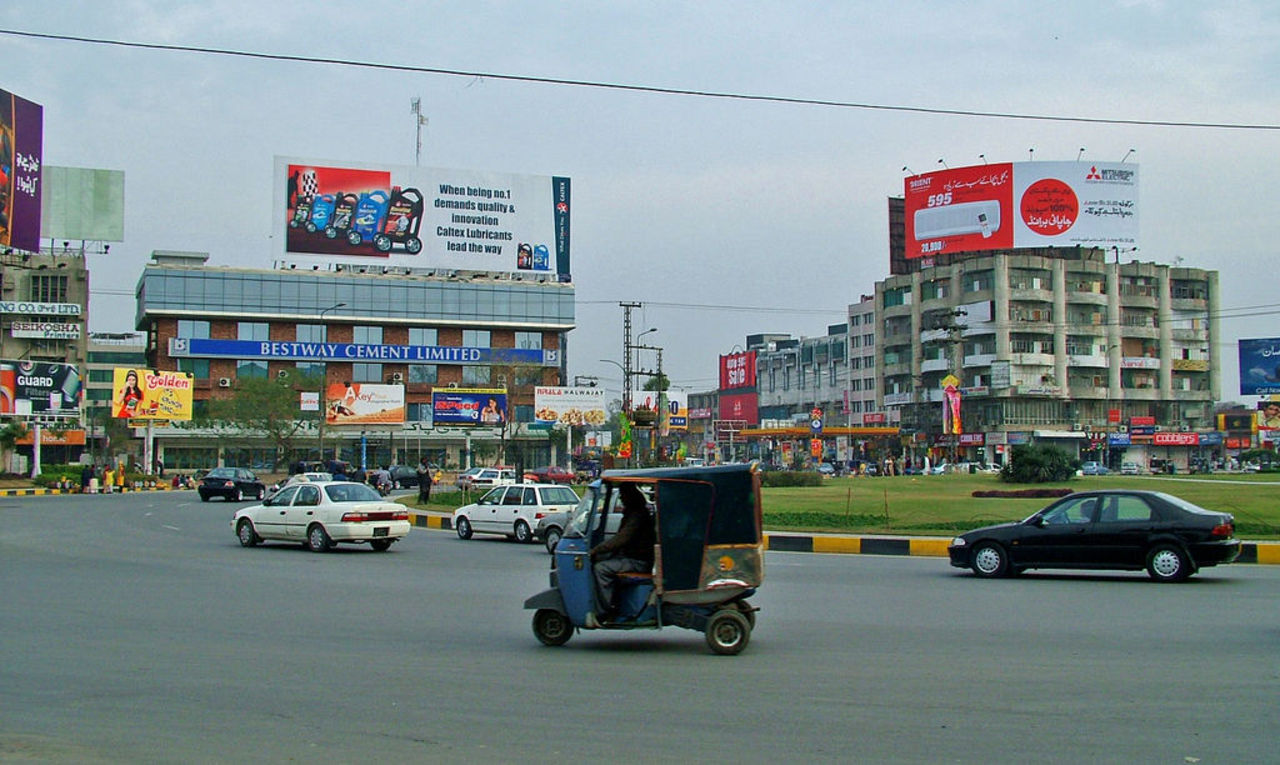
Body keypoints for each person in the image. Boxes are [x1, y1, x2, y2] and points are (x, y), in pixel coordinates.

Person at [588, 483, 656, 624]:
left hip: (639, 561)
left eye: (623, 495)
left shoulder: (637, 515)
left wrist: (597, 549)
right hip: (633, 557)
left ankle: (603, 611)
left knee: (601, 569)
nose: (621, 498)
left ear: (630, 497)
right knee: (603, 560)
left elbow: (621, 539)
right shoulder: (633, 513)